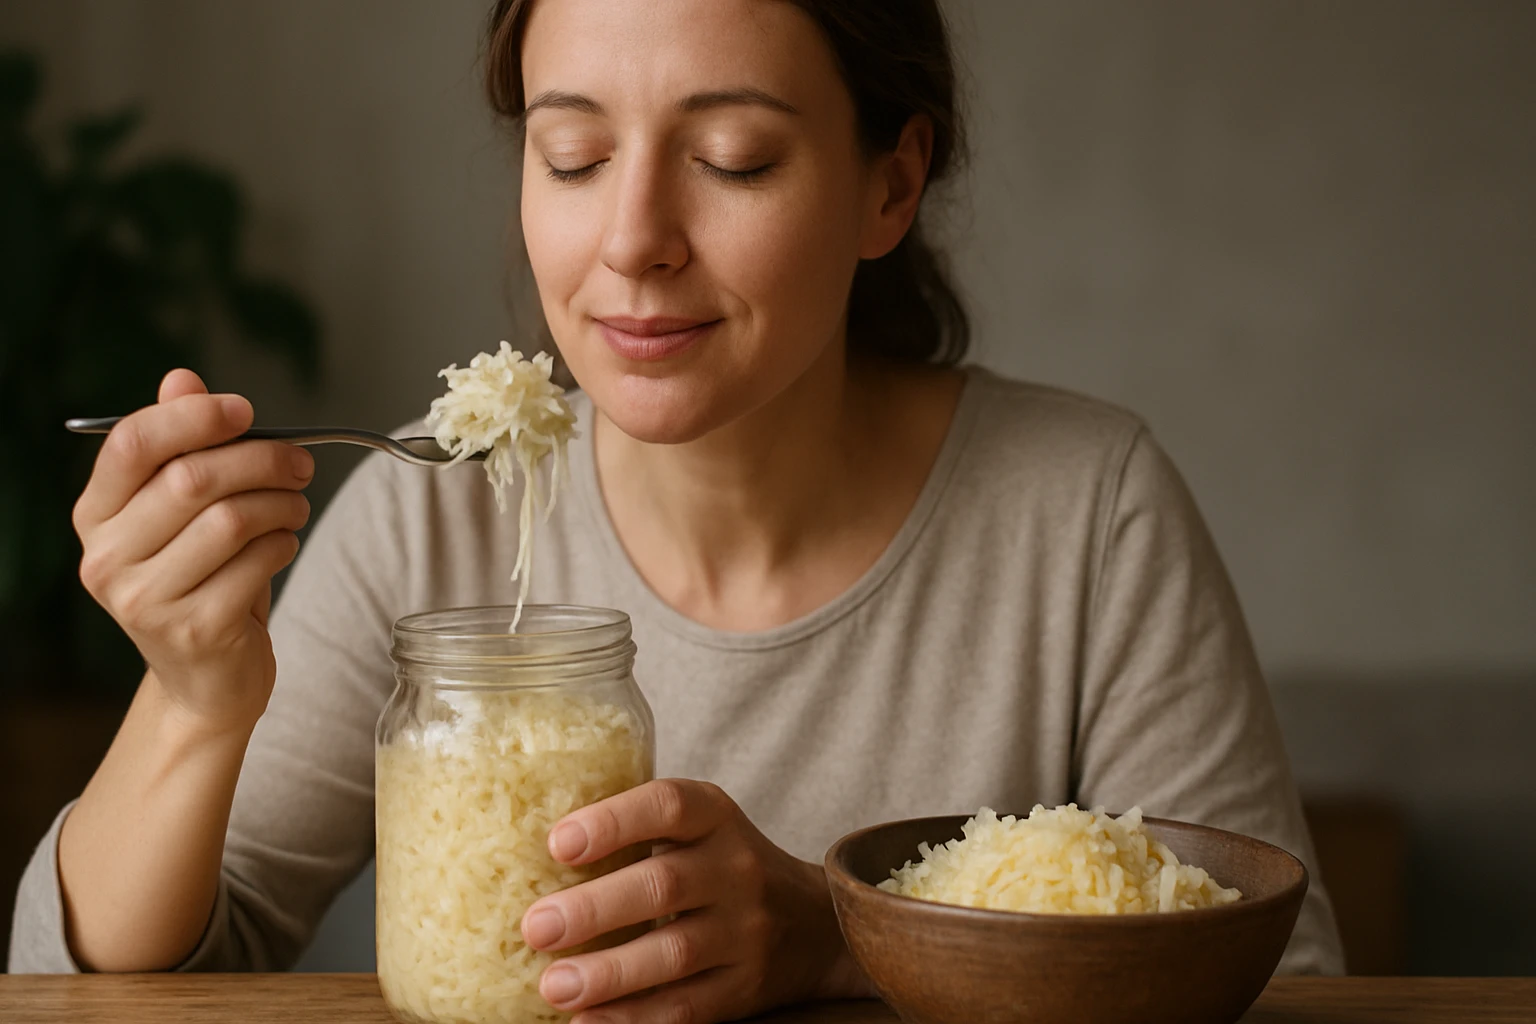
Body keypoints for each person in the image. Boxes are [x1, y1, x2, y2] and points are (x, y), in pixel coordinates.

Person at [10, 0, 1345, 1017]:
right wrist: (192, 701)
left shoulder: (1084, 514)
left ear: (890, 183)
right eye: (574, 154)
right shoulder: (431, 520)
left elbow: (1281, 980)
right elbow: (81, 981)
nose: (633, 235)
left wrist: (840, 934)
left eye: (734, 157)